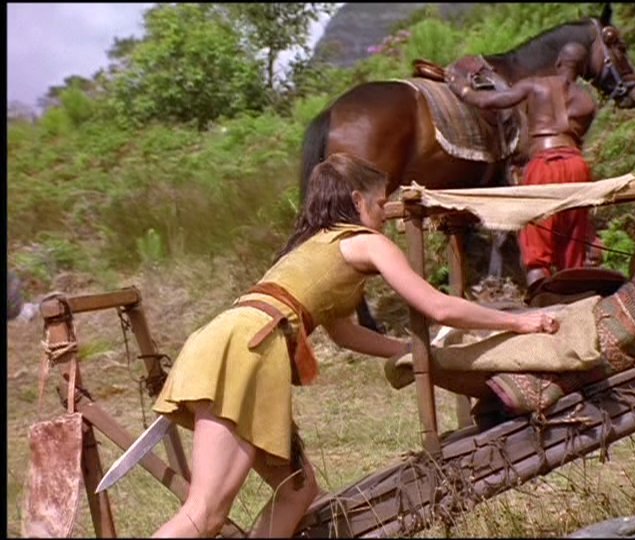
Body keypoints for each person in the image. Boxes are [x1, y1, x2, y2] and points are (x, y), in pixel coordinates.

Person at [150, 152, 559, 538]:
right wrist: (518, 321)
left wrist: (407, 350)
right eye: (381, 203)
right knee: (206, 512)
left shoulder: (315, 246)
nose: (385, 215)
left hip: (225, 339)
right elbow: (436, 305)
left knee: (297, 490)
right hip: (250, 348)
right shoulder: (365, 241)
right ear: (358, 200)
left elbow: (345, 334)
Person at [446, 42, 597, 288]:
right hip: (576, 165)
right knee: (573, 240)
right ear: (581, 68)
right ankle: (575, 297)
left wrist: (461, 88)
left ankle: (541, 299)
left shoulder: (535, 85)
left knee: (536, 240)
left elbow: (490, 101)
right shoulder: (587, 100)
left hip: (544, 165)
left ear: (558, 62)